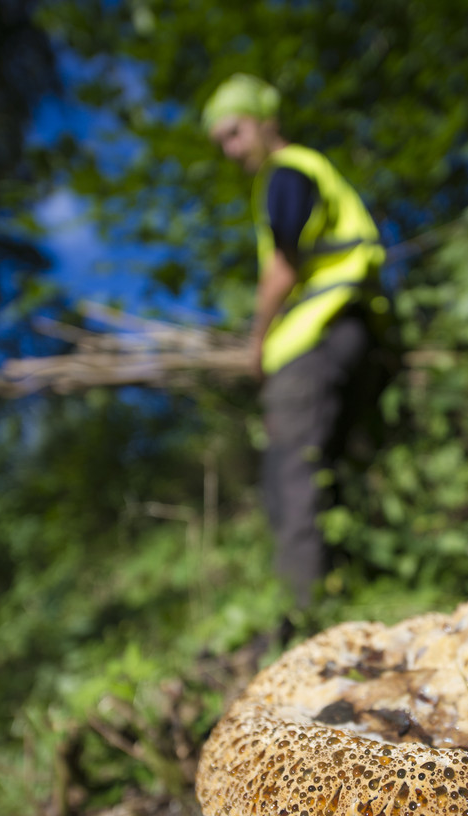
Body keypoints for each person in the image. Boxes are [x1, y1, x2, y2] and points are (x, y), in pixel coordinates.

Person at [203, 73, 391, 609]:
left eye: (235, 133)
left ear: (265, 120)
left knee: (291, 481)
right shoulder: (313, 169)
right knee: (329, 471)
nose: (232, 150)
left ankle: (303, 624)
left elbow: (285, 263)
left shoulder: (286, 172)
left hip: (314, 341)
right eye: (222, 143)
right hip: (355, 333)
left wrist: (256, 340)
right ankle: (342, 599)